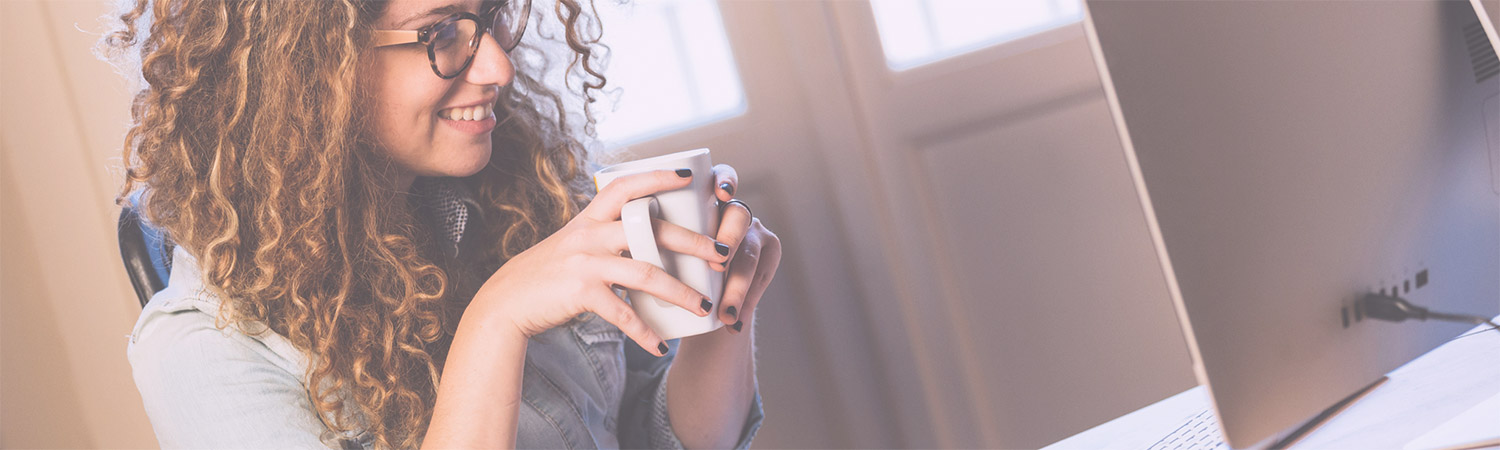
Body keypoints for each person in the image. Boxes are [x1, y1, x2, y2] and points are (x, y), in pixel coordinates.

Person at [101, 0, 781, 448]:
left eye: (489, 16)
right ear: (311, 66)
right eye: (440, 34)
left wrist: (722, 314)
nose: (498, 65)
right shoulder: (202, 350)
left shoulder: (518, 196)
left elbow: (650, 437)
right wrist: (496, 321)